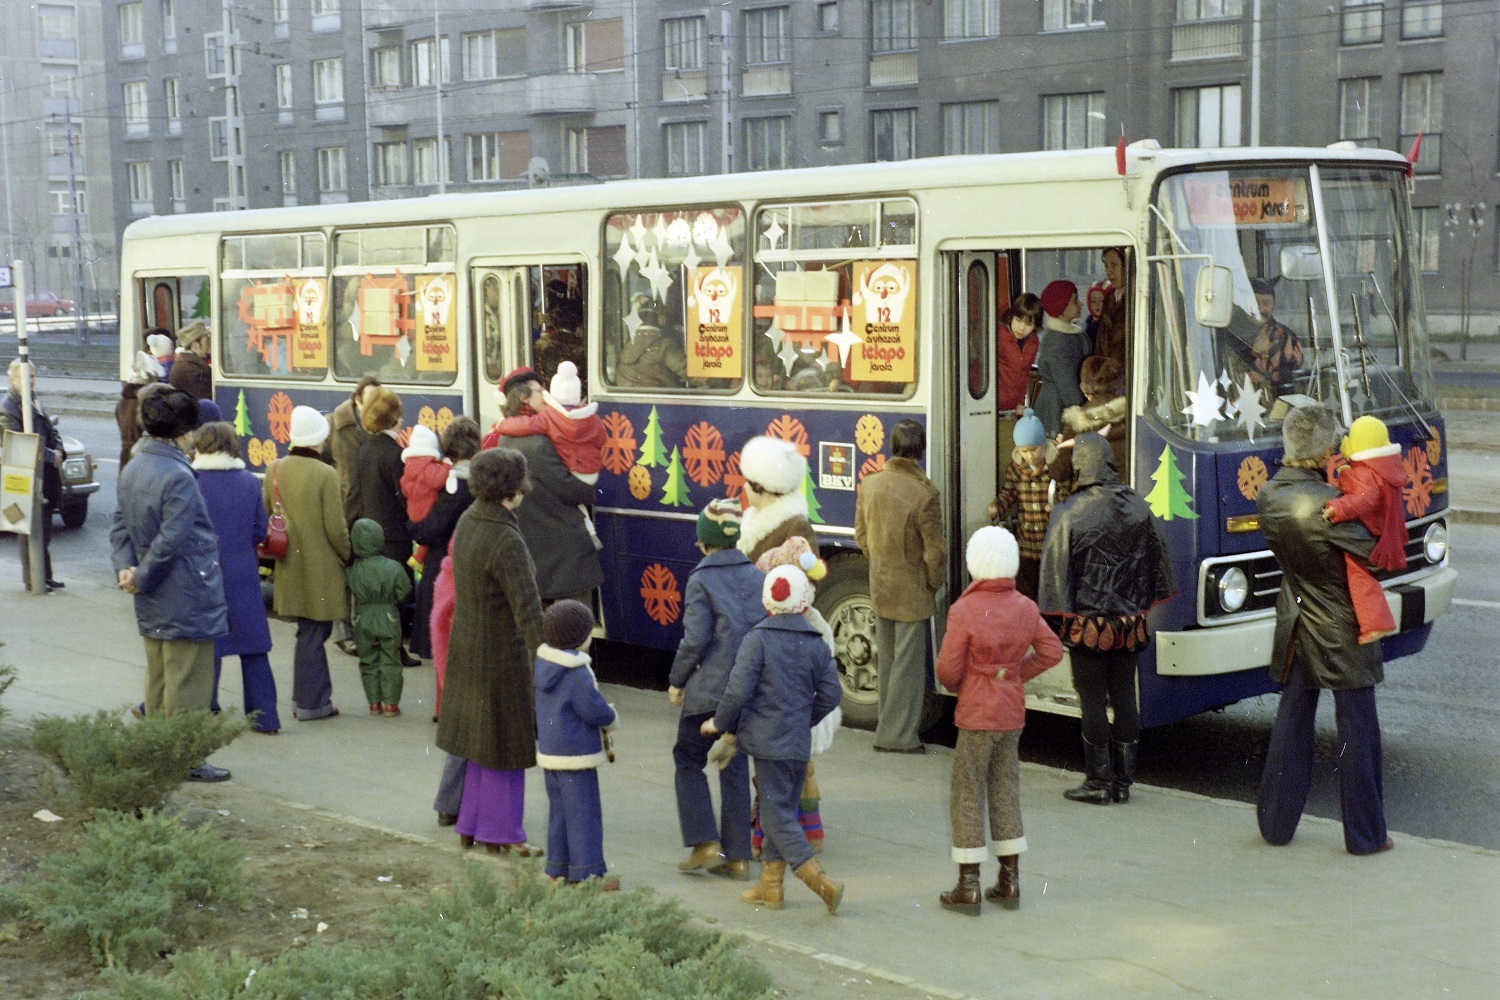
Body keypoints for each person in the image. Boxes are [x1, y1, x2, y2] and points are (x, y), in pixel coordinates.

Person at [1257, 404, 1392, 856]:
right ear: (1327, 449)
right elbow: (1377, 555)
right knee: (1357, 731)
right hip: (1340, 626)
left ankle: (1275, 825)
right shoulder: (1327, 503)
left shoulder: (1269, 494)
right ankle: (1366, 836)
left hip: (1295, 618)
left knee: (1292, 721)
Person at [935, 527, 1064, 915]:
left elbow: (947, 670)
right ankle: (1010, 881)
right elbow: (1052, 650)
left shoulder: (964, 610)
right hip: (1011, 713)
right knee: (1005, 788)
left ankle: (968, 885)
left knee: (968, 791)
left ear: (976, 564)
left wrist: (972, 683)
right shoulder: (1025, 606)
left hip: (977, 712)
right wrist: (1015, 673)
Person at [1038, 432, 1172, 806]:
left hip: (1088, 626)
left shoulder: (1069, 510)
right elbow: (1156, 567)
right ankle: (1123, 783)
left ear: (1081, 464)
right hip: (1129, 624)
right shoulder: (1138, 506)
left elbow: (1055, 577)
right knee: (1126, 695)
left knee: (1092, 699)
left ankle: (1098, 782)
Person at [703, 565, 844, 915]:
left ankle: (822, 883)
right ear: (802, 603)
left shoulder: (758, 640)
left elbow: (737, 691)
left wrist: (720, 723)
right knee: (778, 812)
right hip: (797, 744)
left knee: (776, 816)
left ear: (767, 601)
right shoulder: (814, 642)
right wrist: (802, 720)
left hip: (767, 745)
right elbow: (830, 694)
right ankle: (771, 888)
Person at [109, 383, 231, 782]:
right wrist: (141, 577)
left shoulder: (135, 464)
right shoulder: (178, 474)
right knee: (188, 680)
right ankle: (183, 759)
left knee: (159, 676)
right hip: (184, 590)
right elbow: (175, 538)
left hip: (152, 592)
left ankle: (156, 751)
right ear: (184, 432)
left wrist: (127, 570)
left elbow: (120, 526)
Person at [436, 447, 547, 857]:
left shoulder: (468, 520)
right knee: (505, 746)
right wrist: (548, 661)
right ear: (513, 490)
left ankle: (470, 824)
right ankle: (504, 833)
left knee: (476, 742)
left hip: (467, 647)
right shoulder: (506, 537)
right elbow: (529, 611)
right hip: (501, 655)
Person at [736, 434, 826, 850]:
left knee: (777, 753)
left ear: (763, 489)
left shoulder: (794, 528)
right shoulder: (769, 520)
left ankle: (778, 833)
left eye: (747, 483)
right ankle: (802, 828)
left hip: (776, 641)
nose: (741, 489)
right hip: (764, 634)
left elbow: (800, 586)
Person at [668, 498, 764, 881]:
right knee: (733, 761)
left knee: (688, 758)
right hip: (746, 692)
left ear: (705, 544)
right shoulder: (757, 577)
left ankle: (704, 841)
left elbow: (695, 640)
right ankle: (737, 856)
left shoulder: (701, 579)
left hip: (708, 692)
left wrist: (677, 681)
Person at [854, 419, 947, 754]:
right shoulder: (925, 494)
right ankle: (897, 737)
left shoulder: (871, 484)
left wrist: (880, 562)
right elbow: (935, 552)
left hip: (881, 584)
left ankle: (886, 729)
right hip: (912, 589)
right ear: (920, 451)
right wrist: (932, 584)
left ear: (892, 448)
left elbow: (861, 537)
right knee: (907, 669)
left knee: (889, 661)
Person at [191, 421, 280, 735]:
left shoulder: (192, 481)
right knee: (253, 647)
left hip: (203, 574)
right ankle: (265, 717)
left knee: (207, 648)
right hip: (242, 574)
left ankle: (204, 709)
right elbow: (259, 531)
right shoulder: (247, 482)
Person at [265, 405, 351, 722]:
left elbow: (269, 514)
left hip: (289, 566)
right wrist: (348, 553)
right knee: (315, 634)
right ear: (318, 439)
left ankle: (309, 698)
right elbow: (335, 528)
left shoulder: (275, 470)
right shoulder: (325, 474)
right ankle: (311, 702)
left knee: (307, 632)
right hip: (321, 571)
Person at [493, 368, 602, 605]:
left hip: (536, 552)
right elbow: (572, 489)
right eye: (539, 391)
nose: (545, 396)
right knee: (573, 626)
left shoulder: (504, 439)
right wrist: (593, 490)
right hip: (563, 555)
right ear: (524, 398)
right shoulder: (539, 445)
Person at [534, 599, 620, 889]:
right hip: (576, 754)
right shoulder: (577, 672)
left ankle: (556, 868)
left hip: (550, 753)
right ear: (577, 637)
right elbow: (594, 710)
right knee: (584, 813)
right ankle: (588, 873)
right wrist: (611, 716)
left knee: (559, 813)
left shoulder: (543, 665)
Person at [349, 385, 418, 665]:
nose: (401, 419)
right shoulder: (394, 454)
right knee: (397, 598)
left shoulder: (365, 450)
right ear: (391, 419)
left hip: (373, 533)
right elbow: (403, 498)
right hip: (395, 536)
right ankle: (395, 651)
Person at [1324, 416, 1406, 644]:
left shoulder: (1365, 472)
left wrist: (1337, 508)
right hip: (1384, 531)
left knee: (1357, 571)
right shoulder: (1386, 466)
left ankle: (1377, 623)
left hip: (1371, 532)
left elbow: (1363, 499)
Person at [411, 415, 481, 682]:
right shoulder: (478, 479)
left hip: (447, 566)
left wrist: (412, 525)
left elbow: (430, 530)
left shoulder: (455, 485)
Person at [324, 375, 381, 656]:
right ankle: (343, 633)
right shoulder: (336, 423)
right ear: (357, 398)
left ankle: (360, 631)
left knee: (361, 573)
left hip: (368, 506)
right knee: (343, 571)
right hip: (343, 505)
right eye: (369, 397)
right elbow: (319, 460)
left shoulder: (377, 422)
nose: (374, 402)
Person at [2, 359, 65, 590]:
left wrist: (59, 450)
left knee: (44, 528)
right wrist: (51, 456)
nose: (30, 381)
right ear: (13, 379)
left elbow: (51, 429)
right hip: (27, 474)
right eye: (24, 377)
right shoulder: (9, 406)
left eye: (32, 376)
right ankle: (33, 579)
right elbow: (19, 441)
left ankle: (45, 575)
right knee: (29, 528)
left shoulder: (33, 400)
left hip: (45, 473)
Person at [346, 518, 414, 717]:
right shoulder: (392, 566)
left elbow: (347, 586)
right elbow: (405, 591)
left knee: (368, 660)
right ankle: (391, 704)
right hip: (387, 615)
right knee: (391, 660)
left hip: (363, 616)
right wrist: (392, 600)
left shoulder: (352, 570)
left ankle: (374, 703)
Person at [986, 408, 1056, 601]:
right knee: (1027, 593)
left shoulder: (1055, 467)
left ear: (1043, 445)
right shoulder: (1015, 469)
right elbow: (1009, 493)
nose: (1030, 456)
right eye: (1024, 451)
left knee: (1050, 594)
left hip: (1050, 543)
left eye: (1034, 450)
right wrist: (998, 505)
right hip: (1026, 544)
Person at [1051, 355, 1129, 494]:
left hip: (1094, 498)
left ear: (1084, 388)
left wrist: (1062, 446)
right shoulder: (1131, 414)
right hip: (1127, 498)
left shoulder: (1077, 420)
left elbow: (1059, 473)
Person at [1224, 278, 1304, 395]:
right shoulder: (1228, 333)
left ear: (1273, 305)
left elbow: (1290, 381)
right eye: (1254, 303)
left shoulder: (1287, 338)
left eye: (1266, 303)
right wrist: (1253, 352)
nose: (1260, 309)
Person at [1032, 280, 1090, 438]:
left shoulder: (1069, 333)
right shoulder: (1058, 342)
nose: (1080, 304)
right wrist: (1087, 409)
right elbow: (1068, 388)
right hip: (1057, 410)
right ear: (1061, 307)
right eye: (1074, 301)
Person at [615, 295, 687, 389]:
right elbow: (690, 372)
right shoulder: (663, 346)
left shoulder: (627, 346)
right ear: (656, 317)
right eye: (663, 313)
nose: (667, 318)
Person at [996, 293, 1043, 414]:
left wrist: (1020, 403)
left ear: (1035, 326)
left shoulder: (1033, 343)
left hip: (1013, 406)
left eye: (1028, 324)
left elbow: (1024, 376)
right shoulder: (998, 336)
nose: (1022, 328)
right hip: (994, 404)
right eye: (1018, 320)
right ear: (1011, 316)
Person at [116, 351, 164, 468]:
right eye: (155, 379)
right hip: (141, 456)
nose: (157, 382)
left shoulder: (123, 401)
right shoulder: (144, 402)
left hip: (126, 456)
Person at [1091, 247, 1129, 369]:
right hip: (1107, 377)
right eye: (1106, 266)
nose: (1109, 272)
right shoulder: (1109, 298)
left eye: (1114, 265)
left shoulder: (1136, 298)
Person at [167, 320, 213, 401]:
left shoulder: (186, 364)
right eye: (207, 341)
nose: (209, 344)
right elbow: (206, 401)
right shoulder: (194, 371)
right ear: (195, 345)